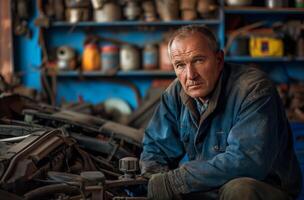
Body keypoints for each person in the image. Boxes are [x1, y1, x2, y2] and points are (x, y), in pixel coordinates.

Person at [139, 25, 302, 200]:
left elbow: (247, 160)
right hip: (210, 187)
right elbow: (156, 148)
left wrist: (176, 181)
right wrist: (155, 179)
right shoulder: (176, 93)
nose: (190, 75)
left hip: (265, 187)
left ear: (219, 59)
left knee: (239, 189)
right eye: (180, 65)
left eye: (199, 60)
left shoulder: (253, 89)